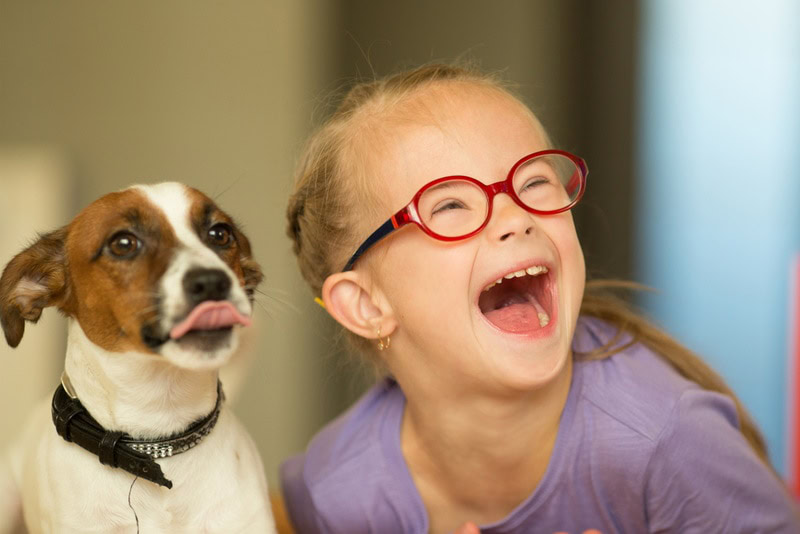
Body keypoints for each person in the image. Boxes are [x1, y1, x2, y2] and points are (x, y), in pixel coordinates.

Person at [281, 63, 800, 533]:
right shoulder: (336, 494)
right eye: (450, 206)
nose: (515, 217)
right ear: (366, 306)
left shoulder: (666, 441)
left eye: (533, 181)